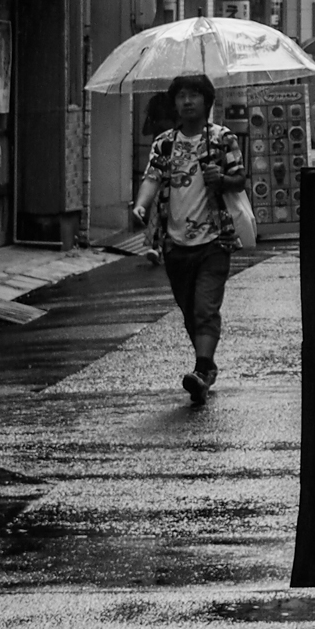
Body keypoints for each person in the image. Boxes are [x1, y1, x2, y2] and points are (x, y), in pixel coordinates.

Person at [131, 73, 247, 407]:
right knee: (187, 310)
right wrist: (141, 205)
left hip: (214, 239)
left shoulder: (221, 138)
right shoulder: (165, 143)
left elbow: (239, 178)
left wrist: (221, 178)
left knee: (204, 307)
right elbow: (152, 178)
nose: (187, 101)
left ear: (206, 101)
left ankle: (203, 369)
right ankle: (205, 367)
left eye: (194, 94)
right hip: (174, 242)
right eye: (181, 95)